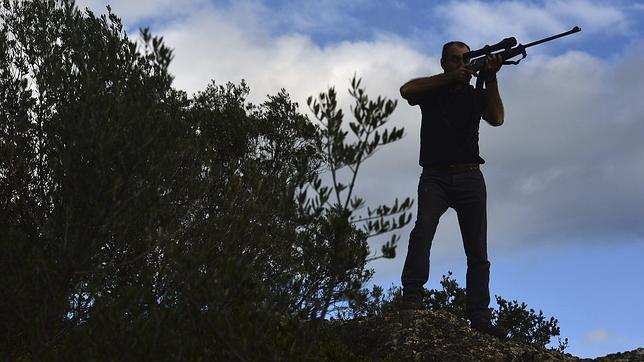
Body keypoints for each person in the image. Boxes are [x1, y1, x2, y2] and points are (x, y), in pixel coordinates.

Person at [398, 41, 506, 338]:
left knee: (477, 250)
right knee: (423, 232)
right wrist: (449, 79)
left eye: (466, 60)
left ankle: (480, 316)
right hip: (435, 178)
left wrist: (492, 76)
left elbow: (497, 118)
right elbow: (407, 90)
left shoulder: (474, 94)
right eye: (456, 60)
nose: (462, 64)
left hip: (470, 176)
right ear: (445, 62)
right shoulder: (432, 91)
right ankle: (412, 297)